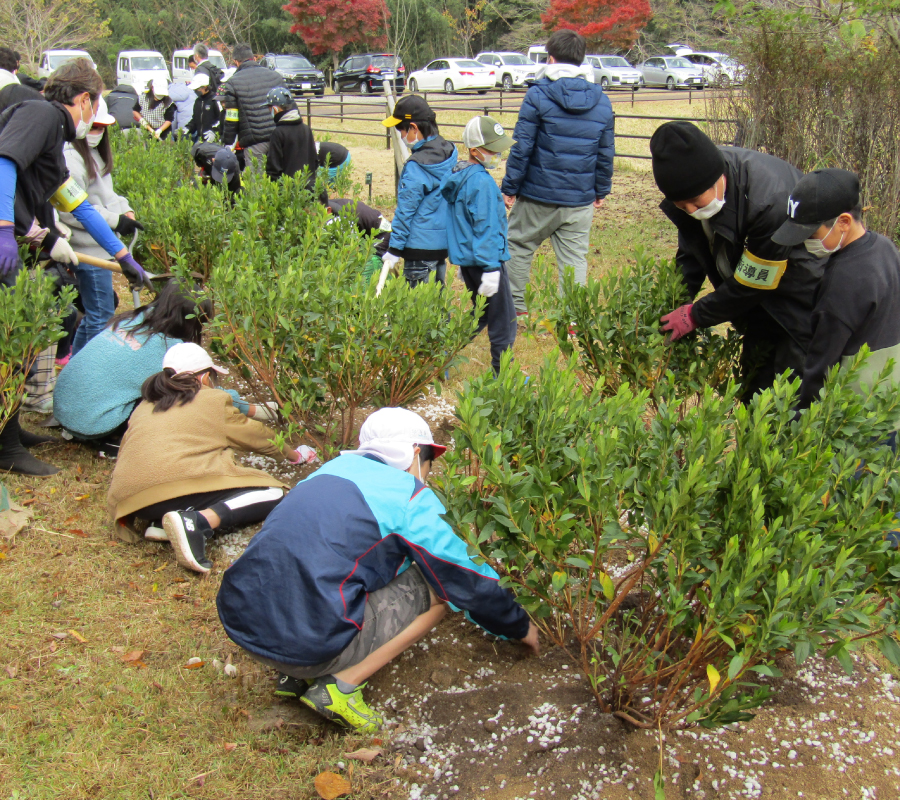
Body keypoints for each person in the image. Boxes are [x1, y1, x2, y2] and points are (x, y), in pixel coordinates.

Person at [216, 407, 538, 732]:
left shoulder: (328, 471)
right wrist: (521, 628)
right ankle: (338, 687)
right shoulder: (410, 496)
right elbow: (467, 579)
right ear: (415, 454)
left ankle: (295, 675)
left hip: (245, 626)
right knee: (437, 587)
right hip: (307, 647)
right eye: (429, 462)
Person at [0, 57, 149, 476]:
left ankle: (9, 431)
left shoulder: (53, 138)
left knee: (21, 334)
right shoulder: (41, 114)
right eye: (94, 107)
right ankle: (5, 447)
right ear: (84, 99)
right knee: (10, 337)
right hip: (4, 242)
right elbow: (4, 162)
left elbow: (75, 203)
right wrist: (4, 228)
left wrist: (120, 254)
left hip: (20, 240)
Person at [108, 342, 315, 573]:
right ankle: (198, 522)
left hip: (133, 503)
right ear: (205, 377)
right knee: (273, 492)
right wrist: (292, 454)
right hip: (168, 487)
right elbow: (255, 435)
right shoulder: (211, 399)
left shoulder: (146, 404)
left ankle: (161, 522)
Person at [649, 120, 821, 399]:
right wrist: (669, 302)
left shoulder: (768, 200)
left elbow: (754, 282)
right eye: (682, 206)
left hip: (798, 304)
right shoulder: (691, 188)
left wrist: (695, 315)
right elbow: (691, 254)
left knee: (791, 400)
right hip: (757, 310)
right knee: (754, 392)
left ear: (716, 178)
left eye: (696, 201)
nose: (691, 211)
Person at [52, 282, 265, 452]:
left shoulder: (133, 319)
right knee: (174, 396)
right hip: (94, 422)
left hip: (65, 407)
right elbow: (204, 392)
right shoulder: (168, 349)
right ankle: (112, 439)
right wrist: (254, 409)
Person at [500, 29, 615, 316]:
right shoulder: (602, 101)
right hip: (579, 198)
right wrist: (601, 190)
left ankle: (517, 311)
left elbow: (522, 146)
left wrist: (510, 187)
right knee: (574, 259)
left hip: (538, 194)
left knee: (517, 244)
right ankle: (573, 320)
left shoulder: (537, 94)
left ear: (550, 58)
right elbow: (605, 151)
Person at [769, 169, 900, 411]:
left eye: (811, 233)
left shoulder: (841, 280)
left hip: (853, 415)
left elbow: (822, 364)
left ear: (844, 222)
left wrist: (803, 418)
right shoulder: (885, 247)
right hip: (889, 401)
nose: (804, 242)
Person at [60, 96, 143, 353]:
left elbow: (108, 194)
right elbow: (71, 211)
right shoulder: (71, 158)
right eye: (93, 126)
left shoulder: (94, 153)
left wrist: (125, 210)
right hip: (87, 248)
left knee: (99, 313)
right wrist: (114, 221)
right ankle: (82, 371)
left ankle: (78, 365)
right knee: (100, 315)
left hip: (103, 245)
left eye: (102, 128)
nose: (97, 132)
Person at [441, 116, 517, 375]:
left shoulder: (461, 177)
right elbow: (485, 227)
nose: (498, 155)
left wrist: (464, 262)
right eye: (493, 150)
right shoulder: (481, 182)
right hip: (487, 262)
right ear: (475, 151)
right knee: (503, 323)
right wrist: (492, 267)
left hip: (470, 261)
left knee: (481, 315)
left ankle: (440, 353)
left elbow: (462, 224)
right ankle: (504, 378)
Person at [381, 95, 457, 287]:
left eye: (401, 130)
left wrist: (395, 249)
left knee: (417, 311)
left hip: (418, 250)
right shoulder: (449, 152)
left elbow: (405, 211)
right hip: (440, 246)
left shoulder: (417, 167)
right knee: (437, 306)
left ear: (414, 128)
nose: (401, 136)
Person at [221, 43, 288, 166]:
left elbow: (232, 118)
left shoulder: (232, 83)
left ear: (236, 61)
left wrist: (227, 142)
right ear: (254, 58)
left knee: (256, 181)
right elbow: (288, 107)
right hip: (281, 139)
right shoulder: (276, 76)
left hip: (255, 143)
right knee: (281, 180)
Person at [264, 86, 319, 196]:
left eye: (269, 108)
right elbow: (314, 161)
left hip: (288, 193)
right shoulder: (306, 129)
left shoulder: (278, 133)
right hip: (308, 190)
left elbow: (273, 169)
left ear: (275, 109)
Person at [325, 198, 391, 282]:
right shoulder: (325, 209)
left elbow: (352, 250)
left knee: (369, 265)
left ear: (328, 210)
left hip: (380, 232)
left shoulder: (341, 219)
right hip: (363, 234)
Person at [186, 73, 221, 143]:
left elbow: (221, 119)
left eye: (197, 89)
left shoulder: (215, 100)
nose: (195, 91)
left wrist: (213, 131)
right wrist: (187, 128)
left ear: (205, 87)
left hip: (214, 139)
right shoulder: (198, 101)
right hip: (201, 138)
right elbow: (195, 119)